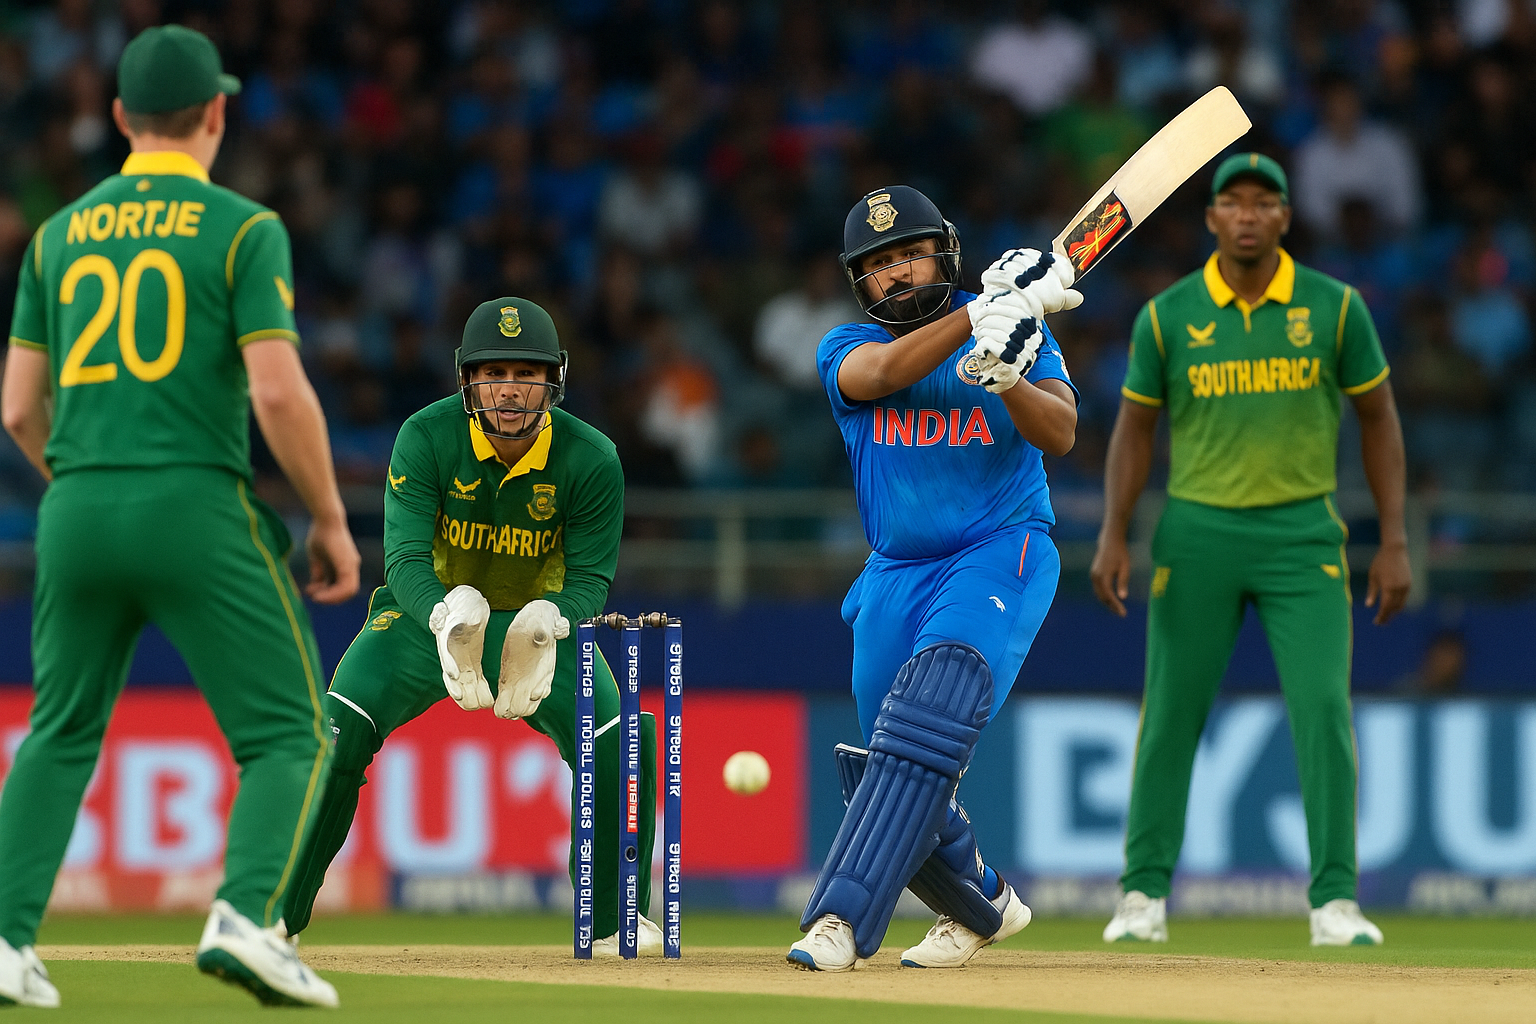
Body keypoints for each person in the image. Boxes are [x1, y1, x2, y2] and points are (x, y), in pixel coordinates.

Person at [0, 26, 359, 1008]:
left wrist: (86, 478)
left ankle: (2, 937)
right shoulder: (245, 229)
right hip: (194, 500)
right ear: (216, 113)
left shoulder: (56, 235)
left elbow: (18, 410)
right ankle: (247, 917)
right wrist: (329, 518)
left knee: (60, 729)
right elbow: (279, 395)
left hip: (73, 505)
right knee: (291, 734)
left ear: (119, 118)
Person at [1091, 154, 1411, 947]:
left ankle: (1336, 903)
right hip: (1196, 533)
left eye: (1262, 203)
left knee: (1324, 713)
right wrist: (1112, 533)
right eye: (1231, 203)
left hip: (1304, 535)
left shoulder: (1335, 309)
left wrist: (1395, 538)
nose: (1246, 215)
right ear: (1209, 218)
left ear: (1285, 217)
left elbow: (1380, 420)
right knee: (1169, 715)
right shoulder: (1166, 316)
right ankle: (1141, 898)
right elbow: (1134, 431)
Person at [279, 297, 661, 956]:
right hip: (427, 618)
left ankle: (607, 923)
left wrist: (556, 618)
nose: (510, 388)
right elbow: (400, 558)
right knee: (335, 731)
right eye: (494, 372)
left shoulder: (592, 457)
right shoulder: (426, 436)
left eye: (528, 372)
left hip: (537, 629)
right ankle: (275, 918)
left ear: (555, 380)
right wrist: (442, 610)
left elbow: (592, 578)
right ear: (467, 381)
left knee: (621, 739)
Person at [789, 185, 1081, 971]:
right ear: (860, 281)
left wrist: (1010, 370)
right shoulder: (844, 345)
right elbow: (880, 374)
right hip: (894, 573)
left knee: (931, 710)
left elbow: (1060, 432)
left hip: (999, 547)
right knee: (895, 763)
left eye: (909, 252)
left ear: (942, 250)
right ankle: (981, 900)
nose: (895, 273)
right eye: (878, 264)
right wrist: (983, 307)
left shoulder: (1015, 326)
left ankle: (839, 920)